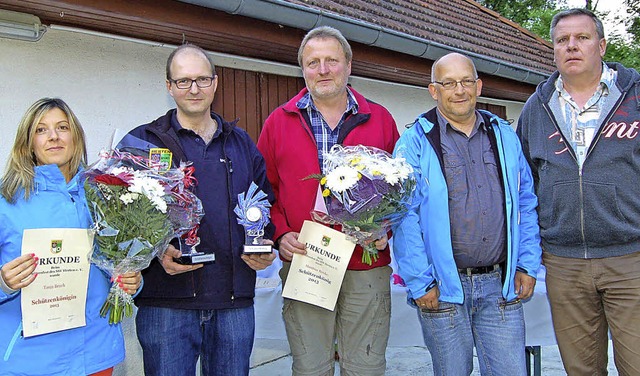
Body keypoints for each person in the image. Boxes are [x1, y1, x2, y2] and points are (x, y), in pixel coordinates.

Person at [120, 43, 276, 376]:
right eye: (184, 81)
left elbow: (264, 205)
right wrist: (157, 252)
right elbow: (121, 221)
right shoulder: (142, 143)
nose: (194, 89)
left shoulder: (242, 143)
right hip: (166, 304)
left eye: (202, 79)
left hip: (233, 301)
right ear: (169, 87)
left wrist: (265, 245)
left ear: (215, 83)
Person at [257, 26, 399, 375]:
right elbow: (262, 190)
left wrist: (387, 229)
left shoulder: (380, 119)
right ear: (302, 69)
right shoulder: (279, 122)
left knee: (365, 366)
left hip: (366, 261)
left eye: (331, 61)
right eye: (313, 62)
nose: (322, 70)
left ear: (348, 66)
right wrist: (279, 233)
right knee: (310, 367)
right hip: (308, 261)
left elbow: (402, 190)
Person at [392, 53, 542, 375]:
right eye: (448, 83)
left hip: (501, 284)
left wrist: (527, 262)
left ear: (479, 86)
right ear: (434, 90)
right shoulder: (415, 142)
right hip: (442, 289)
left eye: (466, 81)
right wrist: (420, 281)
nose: (459, 90)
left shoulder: (503, 134)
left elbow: (526, 202)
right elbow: (405, 217)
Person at [517, 8, 640, 375]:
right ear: (553, 50)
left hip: (631, 259)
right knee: (581, 369)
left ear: (601, 45)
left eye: (582, 38)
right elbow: (527, 182)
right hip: (564, 264)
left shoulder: (634, 100)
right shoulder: (536, 108)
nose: (572, 46)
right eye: (562, 40)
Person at [0, 98, 142, 376]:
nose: (53, 136)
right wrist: (3, 283)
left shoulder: (106, 196)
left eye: (62, 127)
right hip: (30, 361)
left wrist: (132, 281)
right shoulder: (5, 200)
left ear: (76, 137)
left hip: (96, 355)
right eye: (41, 130)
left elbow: (122, 263)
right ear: (28, 143)